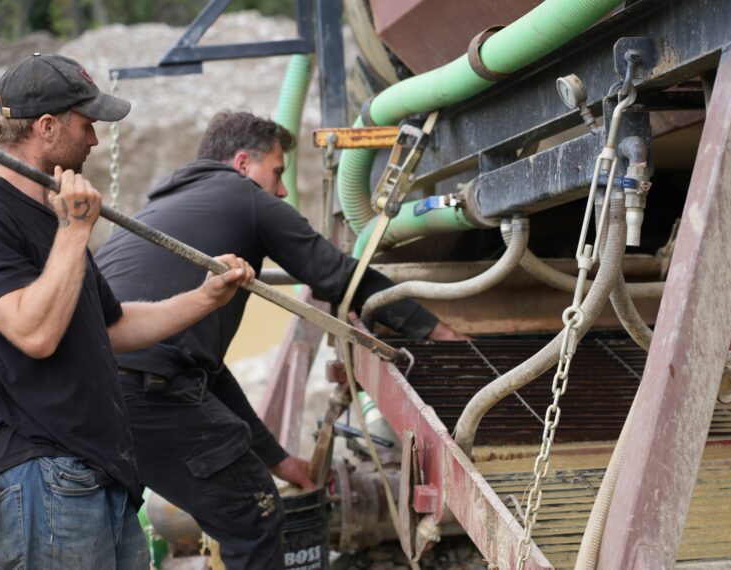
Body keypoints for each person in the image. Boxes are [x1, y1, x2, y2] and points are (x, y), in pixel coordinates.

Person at [95, 110, 464, 569]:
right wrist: (437, 331)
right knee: (252, 511)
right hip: (145, 392)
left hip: (95, 398)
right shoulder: (241, 196)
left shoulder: (161, 211)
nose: (283, 189)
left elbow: (200, 374)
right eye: (277, 171)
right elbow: (335, 274)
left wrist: (282, 461)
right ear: (244, 163)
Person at [0, 54, 255, 570]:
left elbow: (112, 327)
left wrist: (204, 298)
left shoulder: (53, 216)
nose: (95, 141)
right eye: (87, 125)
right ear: (47, 127)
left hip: (95, 472)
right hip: (42, 474)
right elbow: (34, 333)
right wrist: (74, 231)